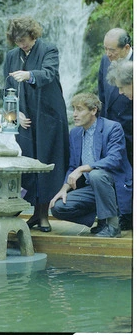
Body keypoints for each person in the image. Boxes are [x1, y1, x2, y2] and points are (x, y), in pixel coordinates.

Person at [3, 15, 69, 232]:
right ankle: (30, 214)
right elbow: (6, 90)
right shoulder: (11, 56)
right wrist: (14, 116)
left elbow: (49, 74)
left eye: (25, 39)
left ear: (33, 34)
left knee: (45, 163)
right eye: (18, 40)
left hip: (48, 116)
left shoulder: (49, 49)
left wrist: (29, 75)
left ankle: (43, 216)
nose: (22, 44)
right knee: (26, 164)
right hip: (24, 120)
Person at [50, 93, 133, 238]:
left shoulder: (112, 127)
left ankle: (113, 226)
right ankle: (102, 221)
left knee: (96, 174)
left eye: (79, 109)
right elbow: (72, 166)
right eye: (74, 109)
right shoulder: (75, 133)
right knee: (58, 207)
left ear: (93, 110)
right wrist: (63, 189)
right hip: (92, 188)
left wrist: (83, 168)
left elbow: (114, 159)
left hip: (114, 185)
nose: (74, 114)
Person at [98, 28, 133, 230]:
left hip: (131, 126)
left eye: (112, 50)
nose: (108, 54)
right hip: (113, 128)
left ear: (126, 47)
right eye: (105, 49)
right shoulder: (105, 61)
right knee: (118, 172)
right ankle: (122, 216)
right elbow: (101, 93)